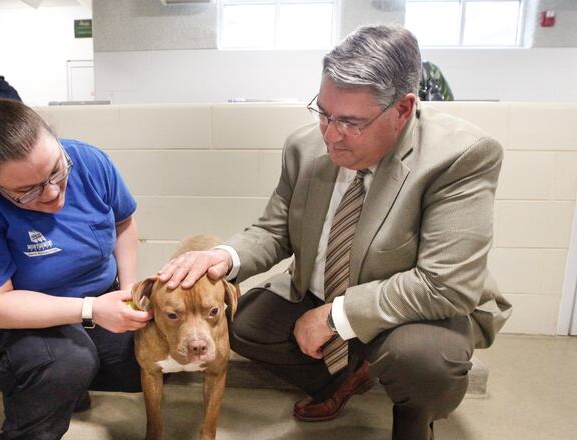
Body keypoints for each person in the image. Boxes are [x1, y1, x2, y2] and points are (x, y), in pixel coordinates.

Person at [158, 24, 511, 440]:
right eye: (323, 111)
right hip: (322, 289)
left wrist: (336, 316)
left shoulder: (461, 157)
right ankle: (345, 377)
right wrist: (224, 257)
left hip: (415, 308)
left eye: (350, 122)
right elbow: (274, 230)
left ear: (403, 110)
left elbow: (444, 285)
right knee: (242, 322)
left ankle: (414, 417)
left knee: (421, 360)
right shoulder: (305, 147)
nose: (329, 133)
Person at [0, 85, 150, 439]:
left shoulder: (90, 161)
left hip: (94, 295)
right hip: (6, 318)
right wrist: (90, 310)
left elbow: (124, 222)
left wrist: (127, 292)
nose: (51, 194)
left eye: (57, 172)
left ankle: (71, 387)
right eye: (26, 191)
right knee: (61, 363)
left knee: (151, 358)